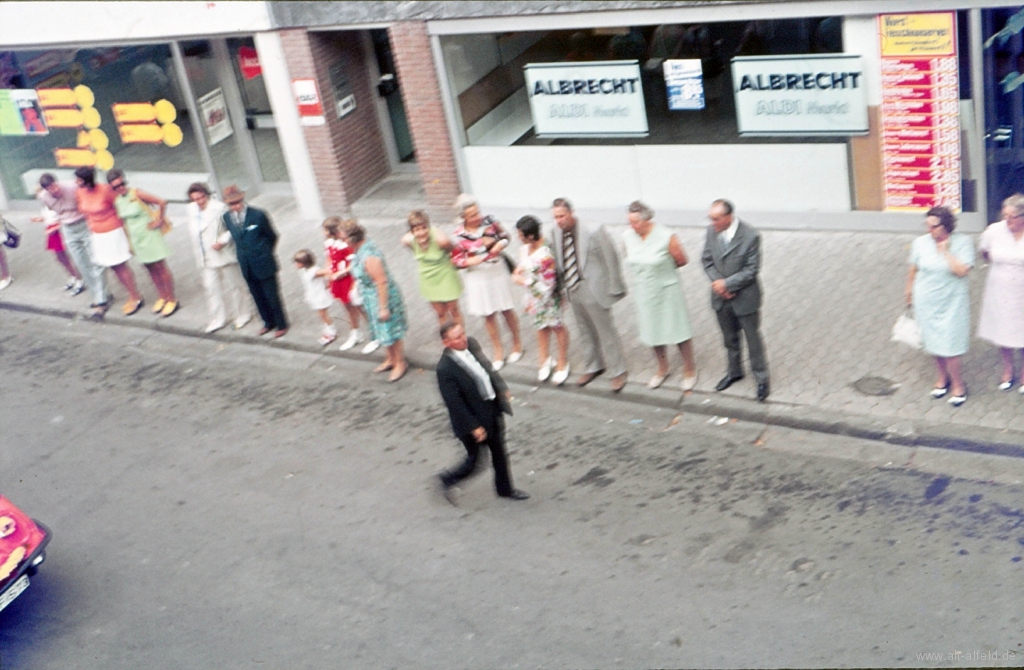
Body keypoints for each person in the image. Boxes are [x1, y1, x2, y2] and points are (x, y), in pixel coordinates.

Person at [436, 320, 529, 505]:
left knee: (499, 453)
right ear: (446, 343)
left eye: (463, 334)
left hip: (491, 408)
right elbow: (455, 403)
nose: (463, 339)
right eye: (457, 338)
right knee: (476, 461)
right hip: (473, 420)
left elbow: (486, 368)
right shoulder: (445, 369)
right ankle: (448, 479)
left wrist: (501, 387)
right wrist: (474, 426)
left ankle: (505, 489)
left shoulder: (471, 344)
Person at [549, 197, 629, 392]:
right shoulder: (555, 232)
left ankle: (618, 371)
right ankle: (593, 365)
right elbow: (559, 260)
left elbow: (611, 257)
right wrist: (559, 289)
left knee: (605, 330)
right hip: (572, 286)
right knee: (584, 329)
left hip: (593, 287)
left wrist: (615, 286)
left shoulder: (594, 230)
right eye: (556, 217)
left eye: (562, 216)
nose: (559, 220)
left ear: (571, 212)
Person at [623, 201, 698, 391]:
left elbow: (681, 259)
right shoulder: (627, 237)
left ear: (647, 220)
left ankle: (689, 369)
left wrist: (662, 271)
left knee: (678, 328)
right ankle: (662, 368)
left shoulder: (666, 236)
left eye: (636, 222)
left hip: (667, 289)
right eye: (630, 222)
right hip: (644, 291)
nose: (632, 226)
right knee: (652, 330)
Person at [701, 199, 770, 402]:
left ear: (728, 217)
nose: (713, 223)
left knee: (752, 340)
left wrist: (728, 284)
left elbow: (751, 270)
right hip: (721, 297)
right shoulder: (711, 232)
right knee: (729, 339)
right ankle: (734, 371)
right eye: (711, 219)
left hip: (745, 298)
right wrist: (718, 284)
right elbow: (707, 261)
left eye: (716, 219)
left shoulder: (750, 236)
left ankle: (762, 378)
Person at [905, 205, 974, 406]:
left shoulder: (963, 242)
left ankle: (958, 385)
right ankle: (942, 378)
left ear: (946, 226)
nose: (930, 230)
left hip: (952, 301)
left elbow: (962, 271)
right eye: (927, 225)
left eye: (934, 226)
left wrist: (946, 253)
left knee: (951, 344)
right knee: (933, 341)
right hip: (926, 299)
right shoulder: (920, 243)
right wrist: (908, 290)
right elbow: (914, 268)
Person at [450, 194, 523, 370]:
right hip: (478, 277)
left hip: (496, 271)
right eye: (472, 215)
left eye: (478, 212)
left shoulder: (490, 222)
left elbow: (505, 236)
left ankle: (517, 344)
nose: (477, 217)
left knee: (506, 309)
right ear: (463, 218)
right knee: (488, 314)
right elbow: (456, 260)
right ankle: (498, 350)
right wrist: (469, 261)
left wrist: (501, 244)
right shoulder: (458, 235)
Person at [338, 219, 409, 382]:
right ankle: (390, 358)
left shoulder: (370, 255)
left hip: (382, 297)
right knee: (381, 330)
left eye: (344, 239)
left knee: (391, 330)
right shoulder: (359, 249)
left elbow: (381, 281)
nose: (343, 242)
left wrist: (383, 307)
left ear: (352, 238)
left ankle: (400, 362)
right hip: (371, 297)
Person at [107, 169, 179, 317]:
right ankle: (162, 296)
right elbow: (124, 222)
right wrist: (129, 243)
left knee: (160, 266)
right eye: (115, 187)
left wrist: (159, 220)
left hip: (149, 234)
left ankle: (171, 298)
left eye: (121, 184)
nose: (120, 188)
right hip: (136, 238)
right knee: (149, 267)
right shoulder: (118, 201)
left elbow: (161, 202)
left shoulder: (136, 193)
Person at [74, 166, 144, 317]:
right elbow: (83, 209)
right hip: (97, 235)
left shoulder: (105, 190)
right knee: (112, 267)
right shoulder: (79, 192)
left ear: (86, 180)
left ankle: (135, 296)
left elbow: (120, 205)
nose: (76, 182)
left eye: (79, 179)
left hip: (113, 232)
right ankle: (132, 294)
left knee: (120, 266)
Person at [221, 185, 288, 338]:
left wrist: (264, 251)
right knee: (257, 295)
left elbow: (272, 236)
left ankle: (281, 324)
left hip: (263, 261)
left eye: (238, 202)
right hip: (246, 263)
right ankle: (267, 322)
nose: (235, 206)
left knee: (272, 295)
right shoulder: (227, 218)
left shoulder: (258, 215)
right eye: (232, 204)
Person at [185, 183, 251, 333]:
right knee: (211, 288)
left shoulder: (219, 207)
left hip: (222, 252)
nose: (200, 201)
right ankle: (218, 318)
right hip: (205, 256)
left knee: (235, 285)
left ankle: (244, 314)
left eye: (202, 197)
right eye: (196, 199)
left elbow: (233, 227)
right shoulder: (191, 210)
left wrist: (222, 241)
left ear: (206, 195)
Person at [511, 215, 570, 385]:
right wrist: (518, 271)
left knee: (556, 326)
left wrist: (522, 281)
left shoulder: (546, 254)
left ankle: (562, 361)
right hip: (534, 298)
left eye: (520, 235)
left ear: (530, 236)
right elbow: (523, 264)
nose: (518, 238)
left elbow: (548, 284)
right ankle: (544, 358)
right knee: (541, 326)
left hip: (549, 298)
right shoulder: (525, 248)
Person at [37, 172, 107, 313]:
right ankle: (97, 295)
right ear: (45, 190)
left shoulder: (72, 187)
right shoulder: (44, 197)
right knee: (81, 263)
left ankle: (102, 298)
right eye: (50, 189)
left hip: (83, 223)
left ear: (57, 183)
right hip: (67, 228)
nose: (54, 191)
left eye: (55, 187)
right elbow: (54, 212)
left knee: (95, 260)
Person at [978, 194, 1024, 391]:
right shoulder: (994, 231)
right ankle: (1007, 369)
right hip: (1000, 288)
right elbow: (985, 252)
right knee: (1003, 328)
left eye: (1012, 217)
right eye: (1004, 215)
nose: (1007, 220)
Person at [401, 209, 463, 327]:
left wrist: (434, 231)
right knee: (440, 313)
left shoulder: (440, 240)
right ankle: (448, 337)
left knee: (453, 310)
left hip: (445, 273)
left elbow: (452, 248)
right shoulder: (409, 241)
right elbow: (404, 239)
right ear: (412, 231)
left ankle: (461, 337)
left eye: (424, 228)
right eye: (417, 230)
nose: (422, 232)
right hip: (428, 277)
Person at [322, 217, 375, 353]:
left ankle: (375, 334)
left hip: (348, 280)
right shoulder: (329, 243)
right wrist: (329, 273)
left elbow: (353, 264)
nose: (323, 232)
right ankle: (355, 332)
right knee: (348, 308)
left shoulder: (346, 246)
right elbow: (329, 259)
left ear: (332, 231)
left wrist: (342, 272)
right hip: (338, 281)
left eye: (325, 230)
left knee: (361, 308)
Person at [31, 205, 83, 294]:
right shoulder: (45, 205)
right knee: (59, 258)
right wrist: (40, 219)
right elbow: (49, 218)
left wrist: (54, 228)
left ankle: (79, 280)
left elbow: (64, 219)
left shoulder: (56, 205)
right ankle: (73, 276)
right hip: (51, 232)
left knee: (65, 258)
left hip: (57, 232)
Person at [293, 249, 337, 346]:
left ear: (304, 263)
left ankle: (331, 331)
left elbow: (327, 272)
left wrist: (329, 282)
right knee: (321, 314)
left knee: (323, 314)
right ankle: (327, 329)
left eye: (297, 262)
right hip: (314, 295)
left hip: (320, 296)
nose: (296, 264)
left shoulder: (314, 271)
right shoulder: (304, 270)